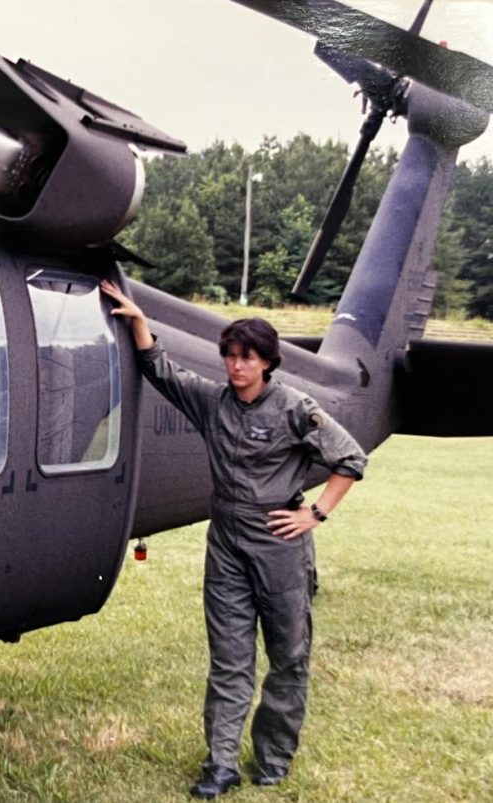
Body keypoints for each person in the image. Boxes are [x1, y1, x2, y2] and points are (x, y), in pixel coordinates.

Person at [100, 281, 367, 798]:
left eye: (246, 358)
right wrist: (137, 321)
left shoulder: (295, 407)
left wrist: (315, 514)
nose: (235, 366)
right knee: (229, 659)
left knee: (288, 657)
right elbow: (162, 370)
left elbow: (350, 460)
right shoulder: (213, 402)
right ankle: (220, 764)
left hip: (279, 546)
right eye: (229, 356)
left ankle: (273, 758)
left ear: (267, 362)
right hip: (226, 545)